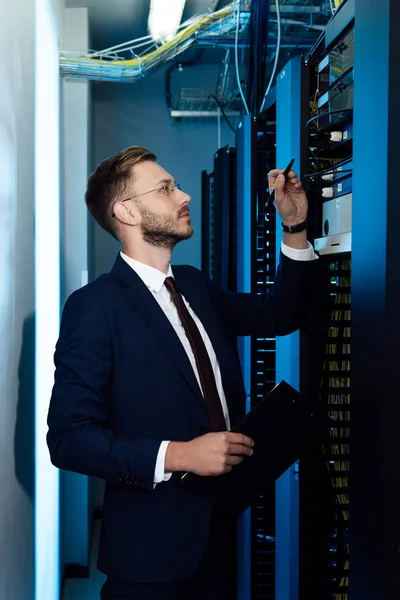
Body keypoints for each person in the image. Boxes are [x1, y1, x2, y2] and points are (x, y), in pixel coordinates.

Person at [47, 146, 316, 600]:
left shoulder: (192, 284)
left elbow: (281, 314)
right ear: (126, 211)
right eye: (167, 188)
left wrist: (294, 226)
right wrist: (180, 456)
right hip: (148, 559)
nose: (185, 195)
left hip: (220, 536)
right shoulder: (95, 306)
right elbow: (69, 439)